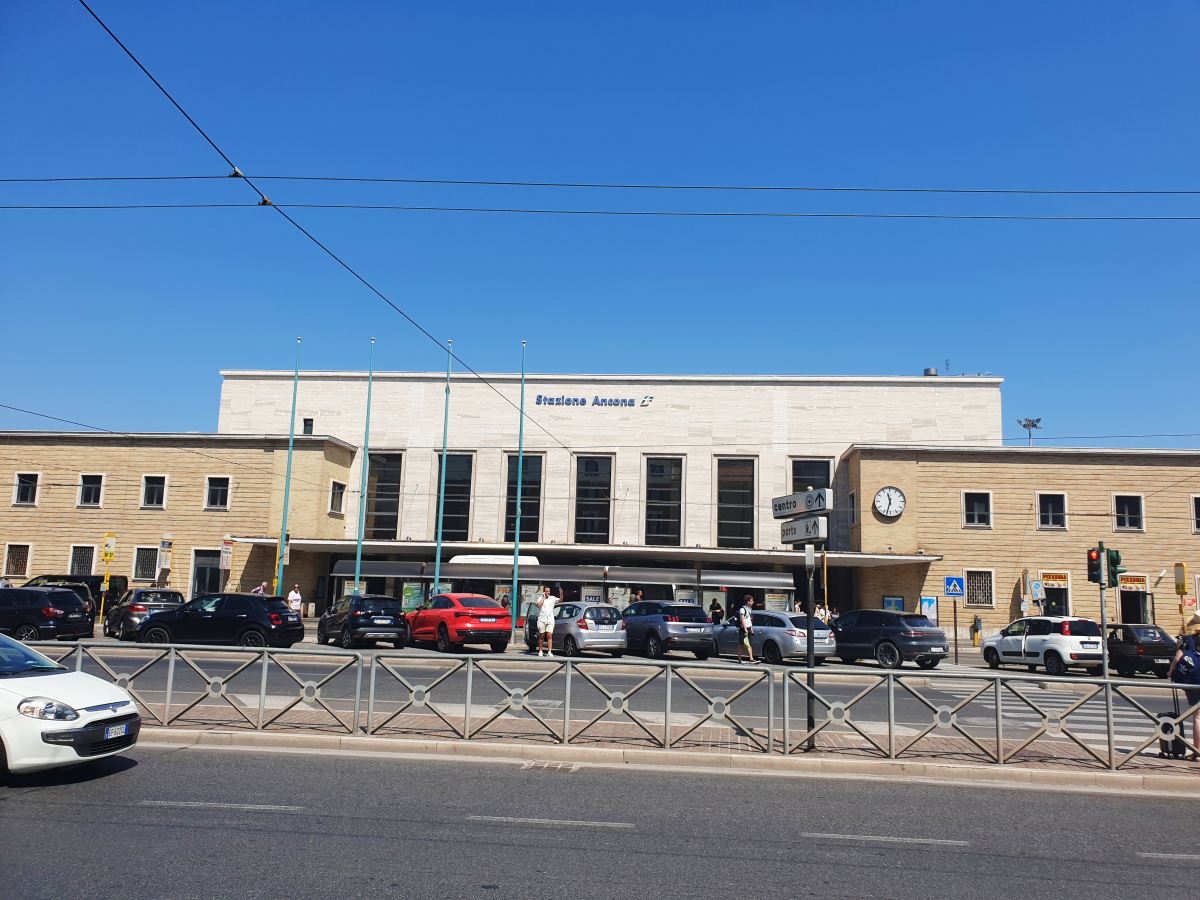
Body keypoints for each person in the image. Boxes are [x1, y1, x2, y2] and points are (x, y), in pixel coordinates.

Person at [1168, 613, 1200, 761]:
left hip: (1194, 682)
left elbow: (1177, 658)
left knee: (1198, 717)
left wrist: (1170, 672)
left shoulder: (1188, 640)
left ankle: (1197, 752)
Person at [536, 586, 557, 657]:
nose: (548, 593)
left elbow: (560, 600)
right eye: (546, 591)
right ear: (544, 592)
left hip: (550, 620)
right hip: (542, 620)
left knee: (549, 635)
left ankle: (549, 651)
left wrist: (561, 593)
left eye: (549, 591)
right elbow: (538, 605)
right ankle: (540, 651)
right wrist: (543, 598)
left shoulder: (552, 598)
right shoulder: (540, 598)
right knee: (541, 635)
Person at [737, 595, 755, 664]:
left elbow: (749, 620)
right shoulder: (742, 609)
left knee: (749, 643)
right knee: (741, 643)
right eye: (751, 601)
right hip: (743, 629)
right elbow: (742, 620)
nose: (752, 602)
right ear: (748, 602)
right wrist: (745, 629)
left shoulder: (750, 609)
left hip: (749, 628)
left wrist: (751, 629)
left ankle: (751, 658)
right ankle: (739, 658)